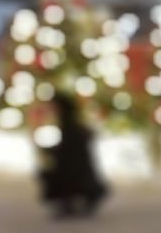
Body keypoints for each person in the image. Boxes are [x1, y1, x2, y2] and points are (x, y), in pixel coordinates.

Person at [37, 88, 108, 219]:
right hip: (74, 167)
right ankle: (70, 202)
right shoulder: (70, 124)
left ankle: (70, 202)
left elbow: (68, 151)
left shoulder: (69, 125)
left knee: (56, 173)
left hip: (73, 169)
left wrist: (51, 151)